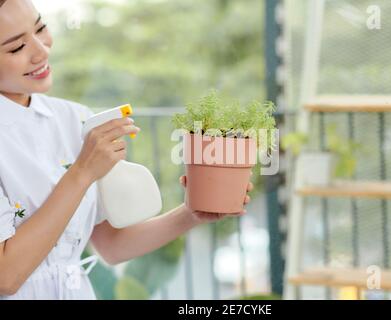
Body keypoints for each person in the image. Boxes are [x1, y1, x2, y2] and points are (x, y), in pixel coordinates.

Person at [0, 0, 252, 299]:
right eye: (16, 47)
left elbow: (112, 245)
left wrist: (192, 213)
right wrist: (82, 171)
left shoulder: (75, 119)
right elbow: (6, 277)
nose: (42, 50)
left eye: (40, 28)